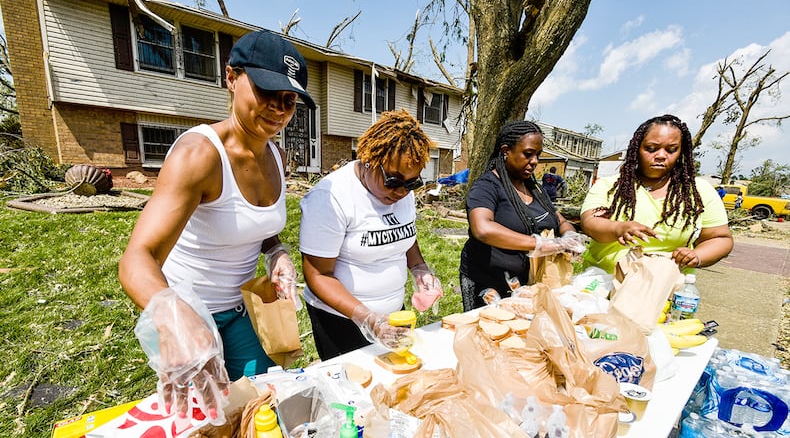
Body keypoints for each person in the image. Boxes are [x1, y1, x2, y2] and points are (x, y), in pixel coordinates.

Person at [118, 30, 315, 420]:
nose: (277, 109)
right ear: (231, 77)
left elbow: (254, 224)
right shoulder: (199, 155)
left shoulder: (275, 154)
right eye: (266, 91)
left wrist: (276, 252)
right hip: (189, 318)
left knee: (267, 405)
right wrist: (174, 317)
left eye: (288, 100)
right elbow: (137, 259)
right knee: (209, 420)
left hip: (237, 311)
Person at [299, 109, 444, 361]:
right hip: (342, 320)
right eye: (393, 181)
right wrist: (368, 318)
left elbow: (404, 233)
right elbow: (318, 275)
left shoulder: (402, 193)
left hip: (392, 315)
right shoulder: (331, 197)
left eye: (412, 184)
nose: (401, 192)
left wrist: (420, 269)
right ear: (368, 160)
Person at [580, 114, 733, 274]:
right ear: (637, 149)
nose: (661, 155)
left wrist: (696, 255)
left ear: (681, 152)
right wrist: (619, 228)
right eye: (651, 148)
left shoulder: (698, 191)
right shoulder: (609, 185)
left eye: (671, 150)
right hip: (604, 283)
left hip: (665, 286)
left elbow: (720, 238)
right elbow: (590, 223)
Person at [459, 121, 586, 311]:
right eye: (528, 154)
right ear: (505, 151)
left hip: (527, 284)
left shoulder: (535, 189)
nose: (534, 161)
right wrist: (539, 244)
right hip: (490, 283)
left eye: (538, 155)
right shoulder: (487, 186)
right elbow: (483, 229)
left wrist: (569, 236)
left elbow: (559, 220)